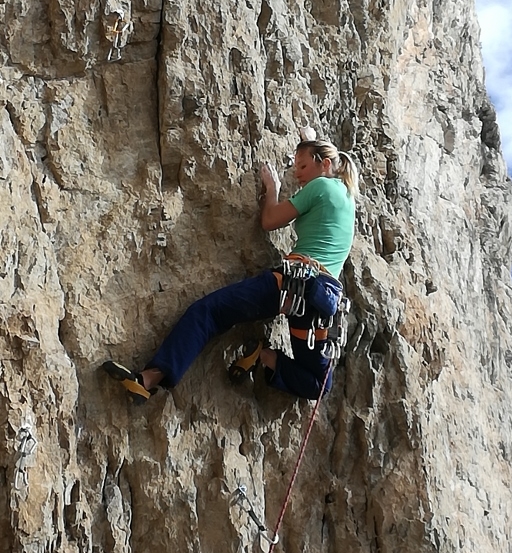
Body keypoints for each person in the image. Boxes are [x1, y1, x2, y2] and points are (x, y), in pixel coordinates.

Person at [103, 136, 358, 402]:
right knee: (319, 384)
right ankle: (265, 356)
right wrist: (310, 144)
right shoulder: (347, 198)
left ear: (325, 163)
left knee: (209, 313)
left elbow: (270, 220)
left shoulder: (321, 186)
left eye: (303, 166)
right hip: (321, 305)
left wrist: (272, 188)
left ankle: (148, 379)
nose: (298, 174)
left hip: (293, 284)